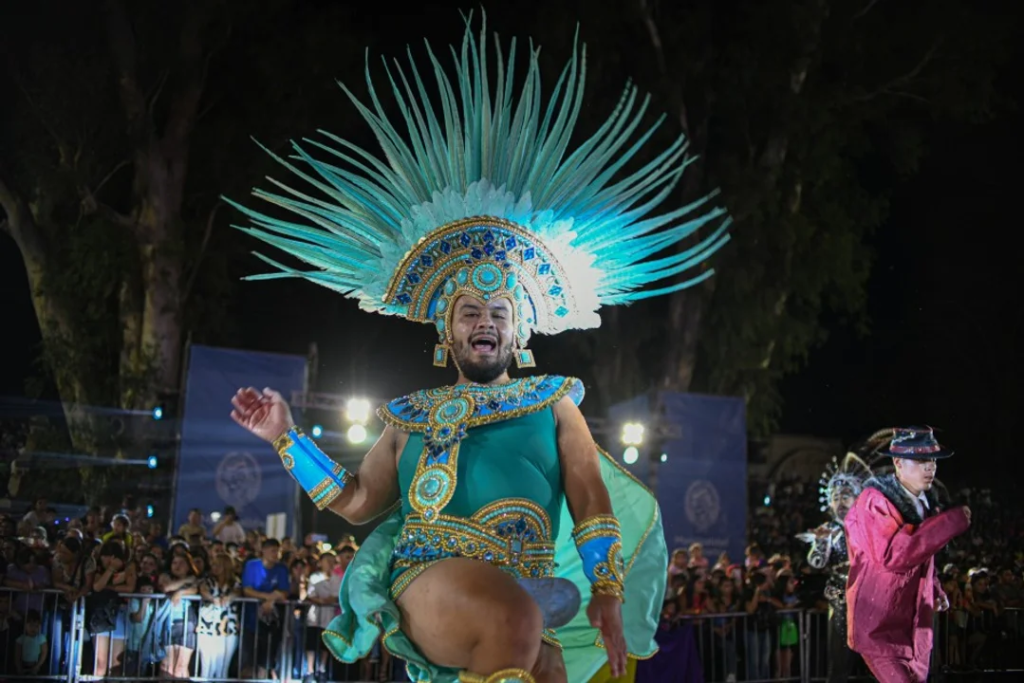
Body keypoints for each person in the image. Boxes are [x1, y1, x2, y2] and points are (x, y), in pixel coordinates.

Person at [228, 14, 729, 683]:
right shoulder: (409, 416)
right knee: (514, 621)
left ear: (518, 333)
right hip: (430, 579)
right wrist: (285, 437)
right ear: (448, 330)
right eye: (470, 311)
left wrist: (607, 586)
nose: (484, 320)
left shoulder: (555, 403)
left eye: (499, 312)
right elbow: (355, 500)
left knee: (547, 666)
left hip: (527, 591)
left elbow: (589, 496)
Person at [844, 427, 972, 683]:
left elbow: (921, 558)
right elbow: (893, 555)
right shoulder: (874, 502)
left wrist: (933, 589)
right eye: (921, 460)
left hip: (913, 633)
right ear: (898, 463)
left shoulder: (925, 504)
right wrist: (950, 522)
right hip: (880, 628)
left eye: (932, 459)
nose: (930, 467)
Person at [797, 452, 872, 683]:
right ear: (829, 502)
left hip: (871, 599)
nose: (840, 502)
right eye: (835, 497)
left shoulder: (870, 526)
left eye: (846, 496)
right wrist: (821, 542)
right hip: (841, 599)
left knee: (876, 662)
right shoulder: (829, 529)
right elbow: (815, 563)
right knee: (840, 659)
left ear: (857, 497)